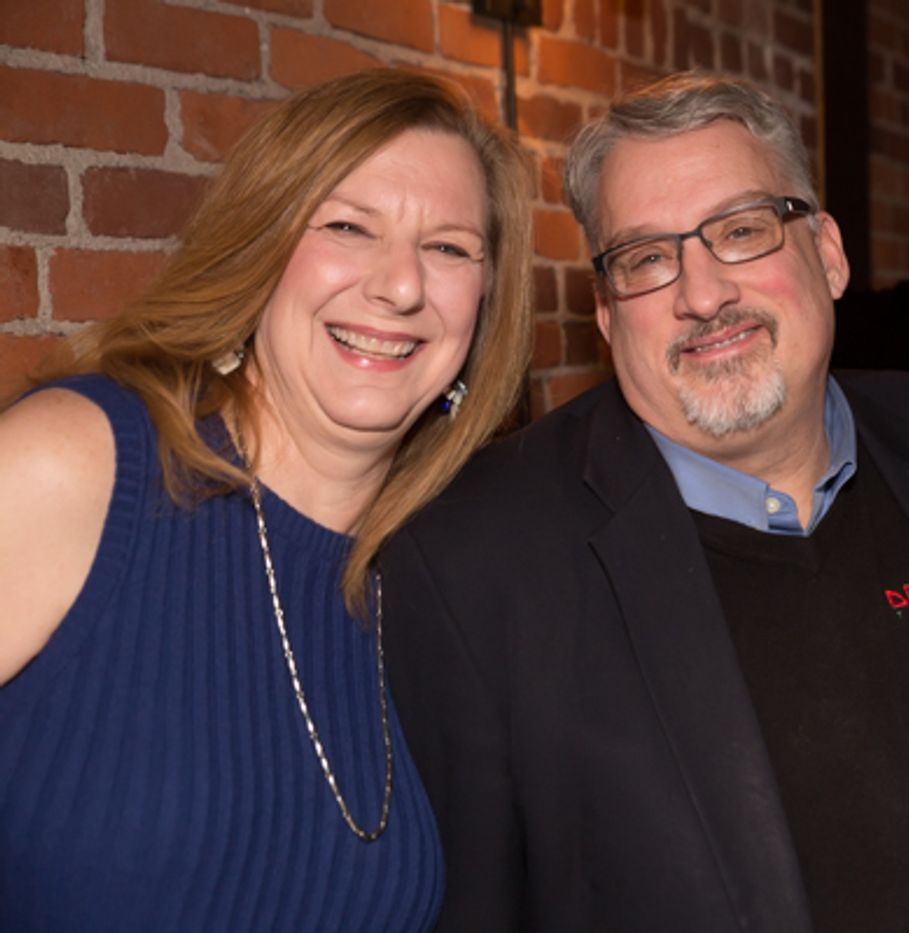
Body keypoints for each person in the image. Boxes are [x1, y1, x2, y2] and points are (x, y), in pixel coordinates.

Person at [383, 72, 909, 932]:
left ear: (827, 253)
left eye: (744, 231)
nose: (703, 293)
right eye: (646, 258)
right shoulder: (475, 559)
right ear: (605, 312)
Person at [0, 68, 533, 930]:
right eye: (349, 226)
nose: (400, 286)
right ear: (260, 247)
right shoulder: (81, 464)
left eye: (449, 247)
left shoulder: (442, 577)